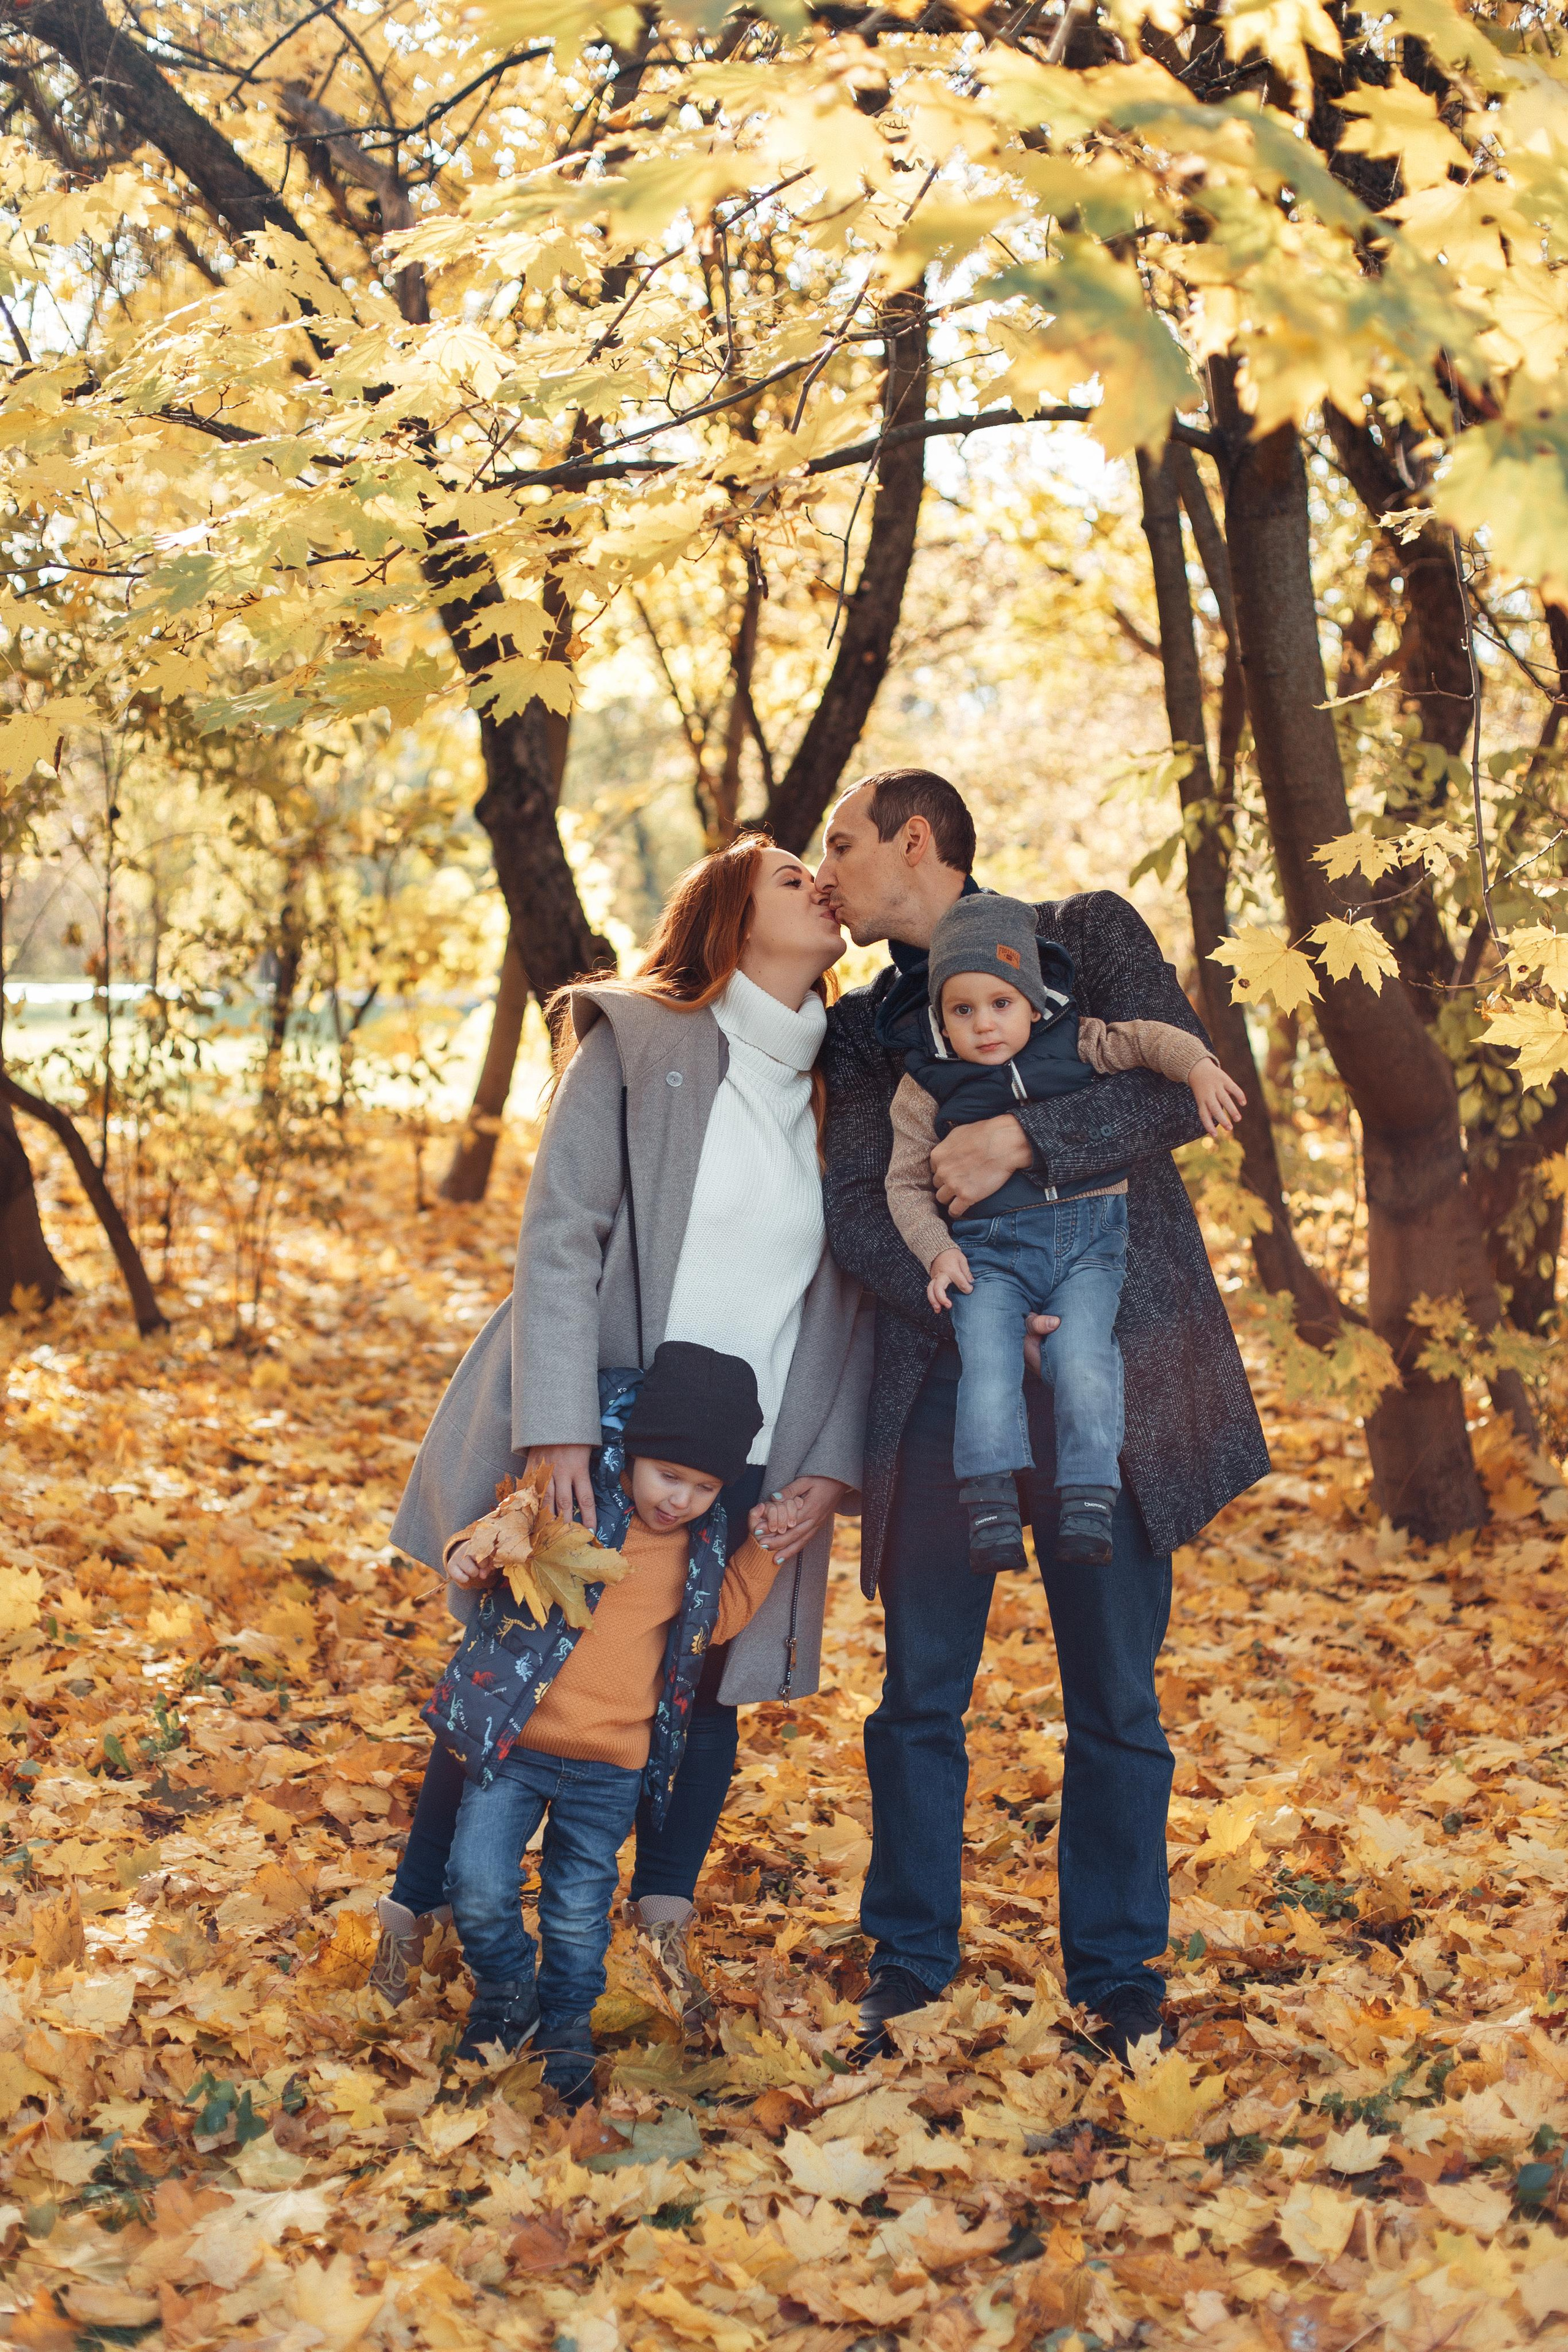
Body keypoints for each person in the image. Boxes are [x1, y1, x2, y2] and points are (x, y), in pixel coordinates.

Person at [815, 769, 1268, 2068]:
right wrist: (966, 1295)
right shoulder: (865, 1031)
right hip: (942, 1383)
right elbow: (859, 1204)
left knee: (1114, 1697)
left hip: (1107, 1385)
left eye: (839, 845)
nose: (826, 873)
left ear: (914, 841)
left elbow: (1177, 1089)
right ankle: (907, 1972)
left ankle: (1118, 1984)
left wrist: (1016, 1143)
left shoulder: (1087, 937)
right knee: (918, 1699)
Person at [381, 836, 869, 2025]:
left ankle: (660, 1929)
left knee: (702, 1683)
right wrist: (553, 1427)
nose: (819, 884)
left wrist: (825, 1466)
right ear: (732, 921)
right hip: (607, 1421)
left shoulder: (841, 1087)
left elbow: (854, 1292)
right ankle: (411, 1914)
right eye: (790, 877)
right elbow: (560, 1235)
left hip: (748, 1442)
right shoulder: (637, 1040)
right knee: (521, 1645)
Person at [434, 1342, 793, 2103]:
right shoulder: (569, 1506)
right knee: (476, 1880)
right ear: (634, 1452)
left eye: (704, 1487)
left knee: (576, 1911)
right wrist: (468, 1554)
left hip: (610, 1766)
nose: (680, 1499)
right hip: (516, 1746)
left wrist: (762, 1548)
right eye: (668, 1475)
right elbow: (495, 1532)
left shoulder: (698, 1552)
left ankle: (566, 2025)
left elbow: (720, 1620)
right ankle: (506, 1994)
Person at [883, 891, 1245, 1573]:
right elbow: (903, 1184)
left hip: (1088, 1246)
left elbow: (1149, 1039)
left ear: (1031, 1001)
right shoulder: (926, 1086)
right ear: (940, 1017)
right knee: (986, 1366)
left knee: (1083, 1359)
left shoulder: (1078, 1040)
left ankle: (1088, 1496)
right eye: (962, 1011)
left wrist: (1198, 1067)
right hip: (987, 1256)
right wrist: (937, 1252)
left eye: (1001, 1003)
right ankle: (988, 1504)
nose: (984, 1025)